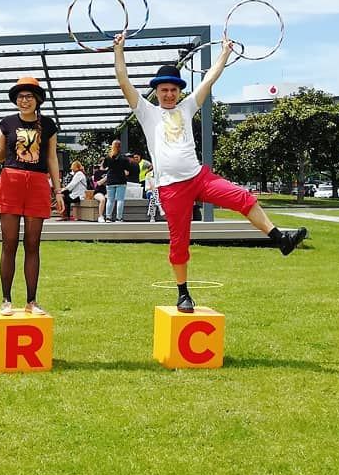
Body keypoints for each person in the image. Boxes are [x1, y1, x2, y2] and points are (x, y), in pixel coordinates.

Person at [113, 35, 308, 313]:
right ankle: (183, 294)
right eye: (164, 90)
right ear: (156, 91)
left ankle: (280, 239)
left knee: (243, 197)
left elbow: (209, 79)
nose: (169, 94)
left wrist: (226, 53)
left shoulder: (187, 106)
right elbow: (123, 81)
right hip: (171, 188)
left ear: (179, 91)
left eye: (173, 90)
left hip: (199, 178)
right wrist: (119, 50)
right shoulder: (147, 112)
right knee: (179, 242)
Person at [0, 75, 64, 315]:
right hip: (11, 181)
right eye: (20, 97)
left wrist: (58, 190)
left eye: (28, 96)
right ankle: (6, 300)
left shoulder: (48, 125)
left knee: (33, 244)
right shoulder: (5, 123)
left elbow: (52, 159)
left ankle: (32, 301)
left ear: (37, 100)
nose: (24, 100)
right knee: (9, 243)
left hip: (37, 184)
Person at [103, 140, 131, 223]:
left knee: (110, 200)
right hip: (121, 179)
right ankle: (119, 218)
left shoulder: (108, 157)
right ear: (120, 147)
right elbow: (128, 168)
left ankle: (108, 217)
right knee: (120, 200)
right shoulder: (123, 158)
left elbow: (104, 166)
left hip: (110, 179)